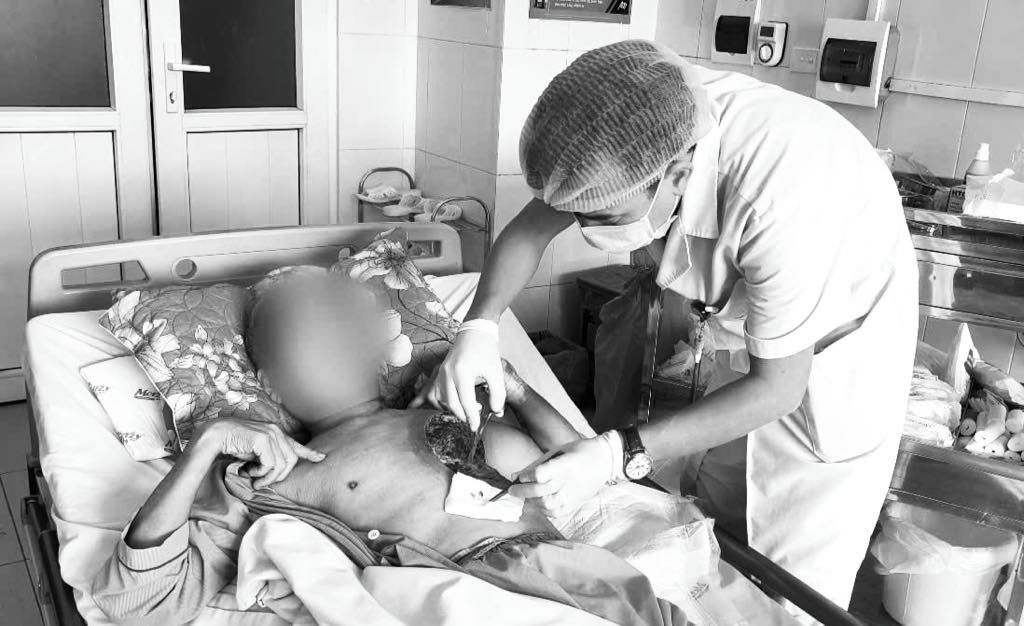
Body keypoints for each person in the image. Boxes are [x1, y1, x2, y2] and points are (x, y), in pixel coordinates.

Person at [423, 39, 919, 613]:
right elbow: (530, 231)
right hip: (760, 337)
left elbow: (779, 388)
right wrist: (479, 328)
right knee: (719, 524)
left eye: (602, 217)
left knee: (790, 583)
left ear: (679, 173)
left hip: (840, 354)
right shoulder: (629, 126)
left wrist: (615, 456)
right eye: (579, 214)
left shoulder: (782, 191)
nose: (584, 230)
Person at [92, 273, 684, 626]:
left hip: (574, 573)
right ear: (270, 383)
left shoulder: (444, 416)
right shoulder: (273, 478)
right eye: (308, 332)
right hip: (464, 591)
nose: (337, 338)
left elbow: (584, 468)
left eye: (341, 322)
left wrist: (512, 379)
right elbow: (142, 600)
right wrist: (208, 443)